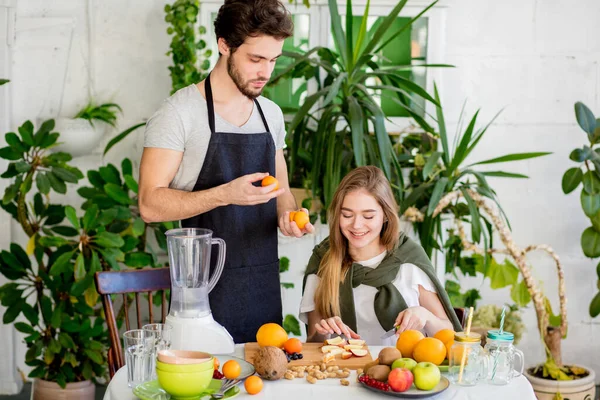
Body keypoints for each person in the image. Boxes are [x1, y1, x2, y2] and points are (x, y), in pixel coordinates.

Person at [138, 0, 314, 343]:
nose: (266, 72)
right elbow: (149, 204)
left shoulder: (271, 114)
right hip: (203, 294)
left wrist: (290, 215)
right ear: (224, 45)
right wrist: (226, 194)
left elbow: (282, 191)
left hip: (262, 287)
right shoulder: (179, 113)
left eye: (273, 60)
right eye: (255, 59)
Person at [300, 166, 462, 346]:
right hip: (344, 371)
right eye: (347, 215)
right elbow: (312, 343)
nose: (357, 225)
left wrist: (426, 317)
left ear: (385, 215)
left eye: (368, 216)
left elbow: (450, 334)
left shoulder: (409, 259)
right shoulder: (323, 260)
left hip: (406, 368)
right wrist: (324, 332)